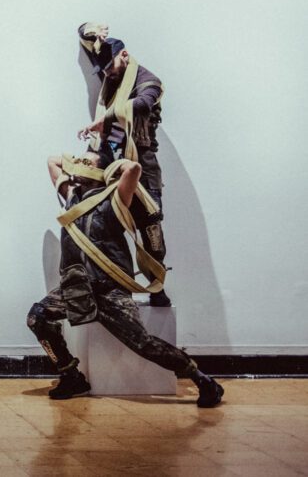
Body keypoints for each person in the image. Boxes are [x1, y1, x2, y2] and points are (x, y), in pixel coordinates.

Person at [26, 153, 223, 407]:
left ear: (103, 172)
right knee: (37, 316)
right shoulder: (71, 198)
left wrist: (110, 168)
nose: (81, 163)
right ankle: (71, 375)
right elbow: (52, 161)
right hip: (76, 288)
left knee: (143, 343)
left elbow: (134, 168)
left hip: (110, 290)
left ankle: (202, 379)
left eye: (88, 162)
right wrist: (76, 162)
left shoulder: (115, 200)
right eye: (80, 160)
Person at [76, 22, 171, 306]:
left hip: (141, 159)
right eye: (103, 69)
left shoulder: (148, 80)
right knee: (101, 220)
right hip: (109, 157)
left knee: (150, 223)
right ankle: (111, 285)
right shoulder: (111, 68)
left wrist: (102, 119)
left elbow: (142, 105)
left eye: (111, 66)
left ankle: (158, 286)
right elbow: (82, 35)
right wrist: (92, 31)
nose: (107, 73)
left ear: (125, 55)